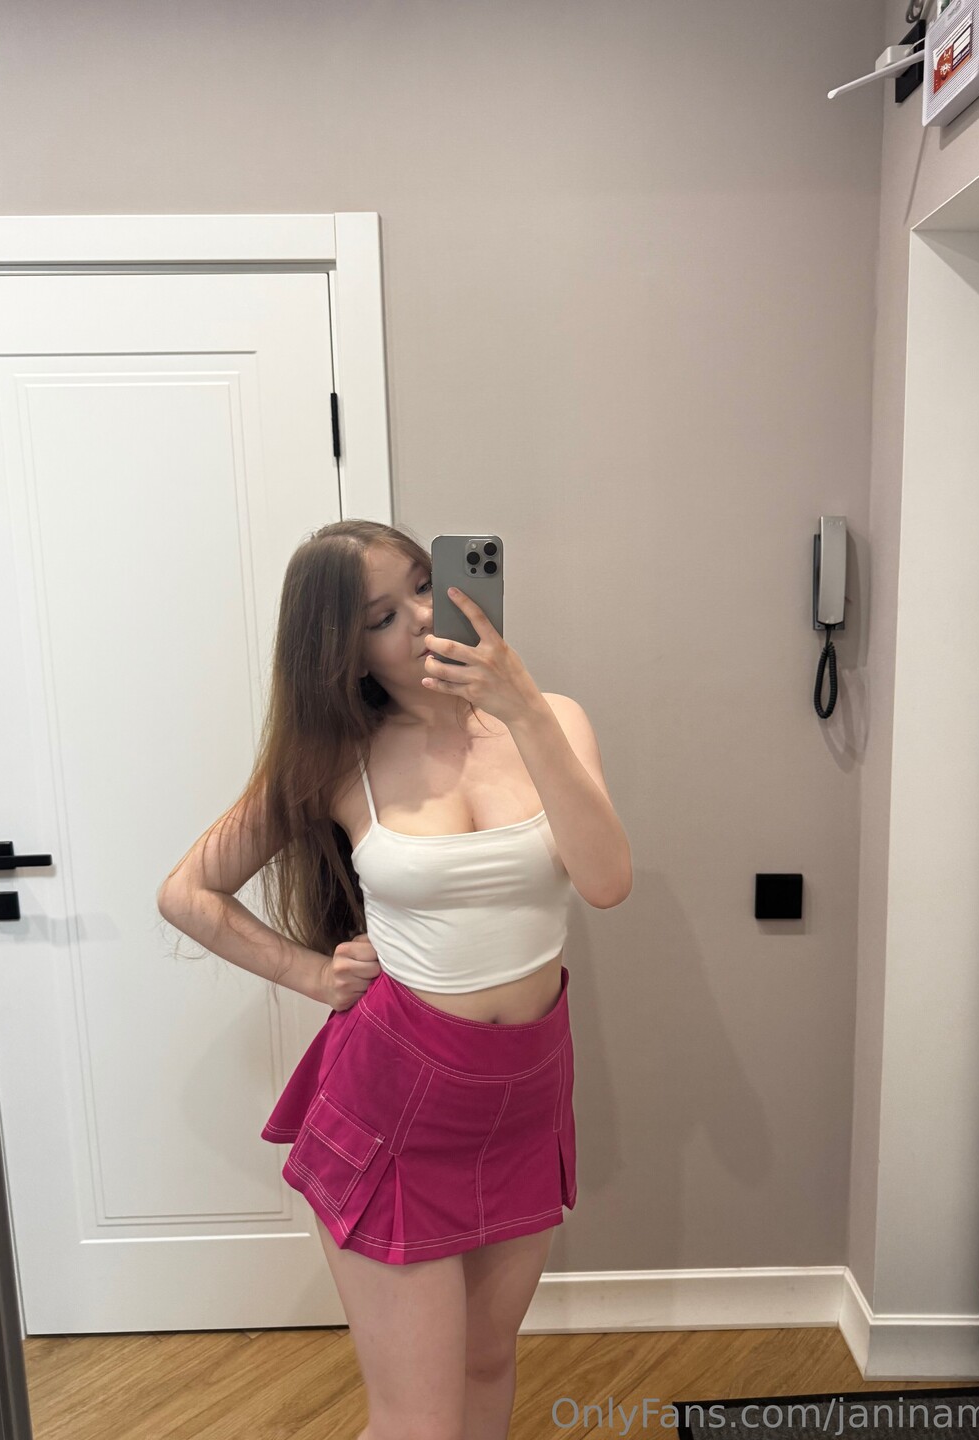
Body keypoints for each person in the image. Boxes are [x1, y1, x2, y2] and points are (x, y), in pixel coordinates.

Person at [161, 519, 631, 1440]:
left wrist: (525, 709)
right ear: (343, 653)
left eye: (423, 583)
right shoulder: (339, 759)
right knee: (418, 1420)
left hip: (526, 1093)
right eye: (381, 615)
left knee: (489, 1366)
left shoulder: (555, 719)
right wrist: (311, 973)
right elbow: (188, 893)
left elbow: (607, 881)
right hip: (395, 1103)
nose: (420, 618)